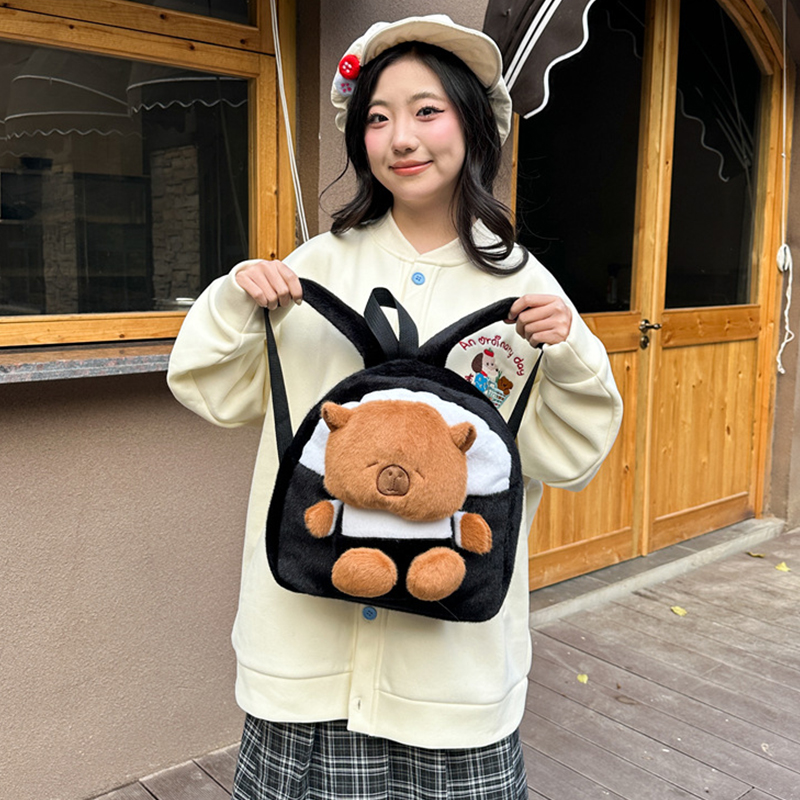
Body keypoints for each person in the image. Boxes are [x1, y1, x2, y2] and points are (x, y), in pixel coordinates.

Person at [167, 14, 623, 800]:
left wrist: (572, 347)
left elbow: (568, 456)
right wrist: (236, 298)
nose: (401, 138)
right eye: (377, 118)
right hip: (304, 663)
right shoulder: (313, 269)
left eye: (427, 110)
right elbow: (212, 387)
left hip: (452, 681)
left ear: (473, 125)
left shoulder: (524, 290)